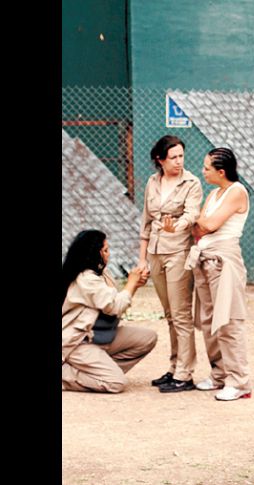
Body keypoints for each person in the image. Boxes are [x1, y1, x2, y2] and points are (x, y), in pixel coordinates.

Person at [185, 147, 252, 401]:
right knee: (209, 320)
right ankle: (219, 374)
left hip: (224, 260)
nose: (203, 172)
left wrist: (191, 217)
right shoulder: (214, 194)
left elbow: (209, 225)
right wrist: (197, 222)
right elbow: (199, 230)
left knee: (228, 320)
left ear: (221, 171)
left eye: (207, 168)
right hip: (205, 258)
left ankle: (239, 381)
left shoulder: (237, 191)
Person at [138, 135, 203, 393]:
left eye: (181, 156)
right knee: (169, 314)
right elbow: (145, 222)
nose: (178, 161)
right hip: (155, 252)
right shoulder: (152, 182)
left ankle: (185, 374)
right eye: (173, 157)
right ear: (160, 159)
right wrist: (142, 259)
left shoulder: (191, 183)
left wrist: (177, 225)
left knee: (181, 314)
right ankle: (175, 366)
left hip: (178, 252)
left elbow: (192, 214)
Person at [62, 230, 158, 393]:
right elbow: (115, 306)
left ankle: (99, 371)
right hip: (79, 342)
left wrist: (133, 285)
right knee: (116, 383)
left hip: (100, 336)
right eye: (105, 250)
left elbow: (115, 304)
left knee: (147, 338)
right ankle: (68, 375)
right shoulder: (86, 279)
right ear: (94, 253)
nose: (109, 254)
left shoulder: (101, 273)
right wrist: (130, 284)